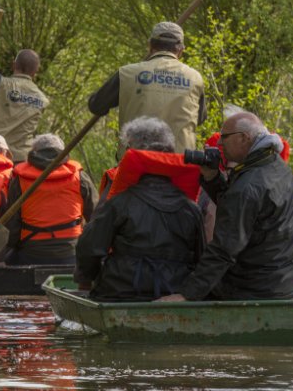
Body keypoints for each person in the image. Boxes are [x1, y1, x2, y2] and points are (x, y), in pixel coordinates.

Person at [158, 112, 293, 302]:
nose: (219, 144)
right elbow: (242, 208)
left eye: (224, 137)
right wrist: (212, 177)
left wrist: (186, 295)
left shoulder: (249, 185)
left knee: (177, 278)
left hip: (257, 288)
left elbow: (224, 250)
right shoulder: (275, 166)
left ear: (243, 138)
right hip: (288, 282)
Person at [75, 117, 205, 301]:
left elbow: (88, 247)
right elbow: (202, 260)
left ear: (131, 152)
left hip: (120, 293)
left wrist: (86, 280)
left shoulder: (119, 203)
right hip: (173, 295)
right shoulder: (192, 209)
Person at [88, 21, 206, 153]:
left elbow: (96, 105)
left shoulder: (127, 73)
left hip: (136, 162)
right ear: (181, 50)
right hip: (180, 165)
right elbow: (199, 119)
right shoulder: (195, 78)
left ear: (150, 46)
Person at [5, 133, 98, 265]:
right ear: (63, 151)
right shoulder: (80, 177)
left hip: (32, 252)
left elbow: (13, 225)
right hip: (71, 251)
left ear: (34, 152)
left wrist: (12, 246)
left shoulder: (19, 179)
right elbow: (96, 217)